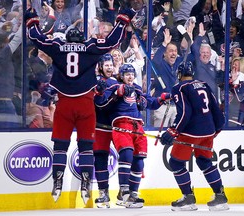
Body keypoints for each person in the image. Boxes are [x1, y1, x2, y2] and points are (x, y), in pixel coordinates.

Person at [24, 5, 135, 204]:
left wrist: (31, 20)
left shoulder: (58, 47)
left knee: (60, 145)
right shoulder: (89, 48)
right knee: (85, 146)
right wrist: (123, 19)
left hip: (64, 105)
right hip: (86, 104)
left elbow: (38, 39)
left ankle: (57, 182)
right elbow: (113, 41)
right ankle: (86, 183)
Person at [95, 63, 171, 208]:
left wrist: (162, 98)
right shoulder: (114, 87)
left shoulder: (137, 89)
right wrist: (117, 94)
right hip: (121, 124)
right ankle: (124, 191)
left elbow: (151, 103)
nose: (130, 76)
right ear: (121, 76)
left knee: (139, 160)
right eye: (127, 74)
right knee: (126, 154)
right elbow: (101, 104)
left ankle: (133, 194)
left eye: (132, 74)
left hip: (138, 127)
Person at [160, 61, 229, 211]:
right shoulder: (203, 84)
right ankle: (220, 196)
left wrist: (173, 130)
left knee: (176, 163)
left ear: (179, 74)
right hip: (209, 131)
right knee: (205, 161)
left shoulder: (179, 87)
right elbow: (215, 108)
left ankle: (188, 198)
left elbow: (185, 112)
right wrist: (216, 128)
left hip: (190, 132)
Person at [93, 53, 117, 208]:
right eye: (106, 65)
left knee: (129, 156)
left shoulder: (117, 82)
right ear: (100, 67)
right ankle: (103, 193)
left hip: (116, 126)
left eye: (111, 65)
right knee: (100, 158)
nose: (109, 67)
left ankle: (128, 192)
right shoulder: (94, 82)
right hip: (100, 126)